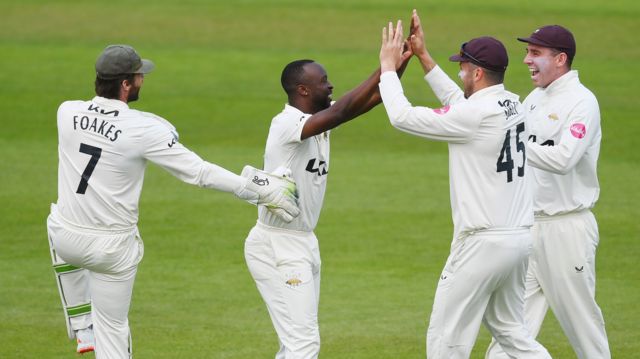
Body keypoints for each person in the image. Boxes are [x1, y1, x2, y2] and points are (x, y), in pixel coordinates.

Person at [47, 44, 300, 358]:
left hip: (66, 240)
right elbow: (199, 172)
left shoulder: (66, 111)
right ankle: (93, 330)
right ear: (126, 84)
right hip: (111, 250)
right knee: (112, 330)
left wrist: (146, 121)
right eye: (139, 76)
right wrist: (261, 190)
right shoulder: (144, 130)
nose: (142, 79)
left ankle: (82, 325)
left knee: (55, 219)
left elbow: (107, 123)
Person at [378, 11, 551, 358]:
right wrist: (425, 59)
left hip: (481, 243)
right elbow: (463, 107)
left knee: (444, 340)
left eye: (462, 68)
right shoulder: (513, 103)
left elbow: (402, 117)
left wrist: (387, 69)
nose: (460, 73)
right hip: (518, 239)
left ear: (477, 73)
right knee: (512, 334)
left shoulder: (474, 115)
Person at [243, 21, 412, 359]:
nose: (331, 84)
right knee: (304, 344)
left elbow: (375, 97)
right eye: (323, 81)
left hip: (304, 241)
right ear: (302, 90)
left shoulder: (318, 119)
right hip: (277, 246)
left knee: (295, 342)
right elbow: (342, 110)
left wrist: (401, 62)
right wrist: (384, 65)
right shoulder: (287, 124)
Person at [485, 25, 610, 359]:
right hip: (528, 227)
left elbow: (565, 158)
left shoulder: (583, 102)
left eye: (535, 53)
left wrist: (516, 143)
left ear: (560, 58)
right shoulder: (535, 98)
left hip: (566, 229)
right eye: (527, 52)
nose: (526, 60)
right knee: (510, 328)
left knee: (583, 325)